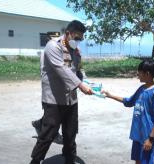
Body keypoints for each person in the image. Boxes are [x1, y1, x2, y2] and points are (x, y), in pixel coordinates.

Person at [29, 20, 93, 164]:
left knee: (70, 133)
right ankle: (35, 161)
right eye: (76, 38)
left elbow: (79, 70)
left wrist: (87, 82)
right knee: (48, 134)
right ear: (68, 33)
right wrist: (81, 85)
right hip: (53, 100)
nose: (78, 41)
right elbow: (61, 69)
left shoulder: (76, 51)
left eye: (80, 39)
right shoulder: (53, 46)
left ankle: (69, 160)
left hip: (71, 99)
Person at [102, 59, 154, 164]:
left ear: (147, 74)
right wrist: (110, 95)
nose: (137, 74)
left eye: (139, 72)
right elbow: (129, 102)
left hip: (146, 136)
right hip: (137, 134)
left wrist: (150, 139)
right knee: (138, 160)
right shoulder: (141, 89)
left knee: (146, 161)